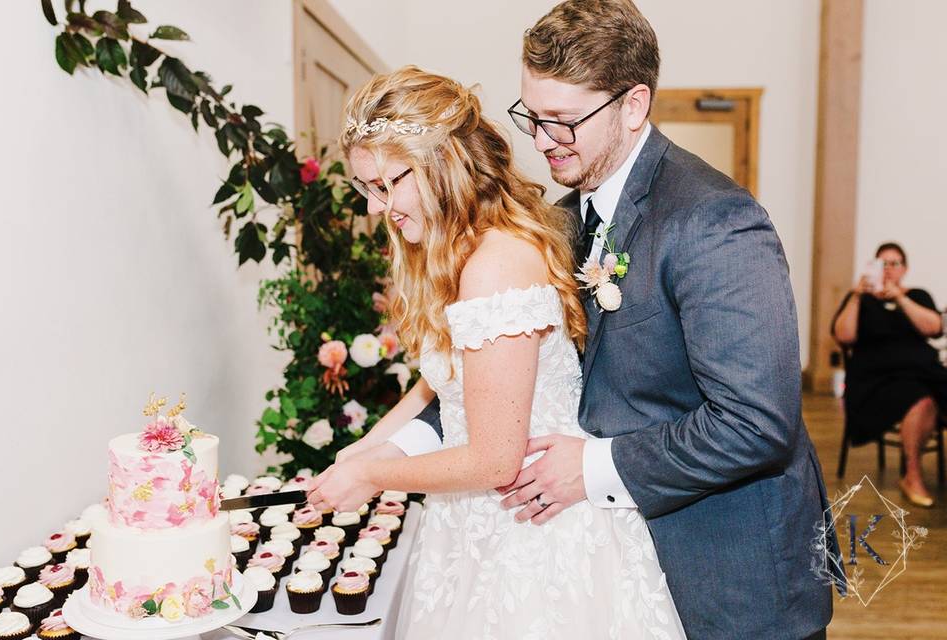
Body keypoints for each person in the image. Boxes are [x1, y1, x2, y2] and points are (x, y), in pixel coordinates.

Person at [311, 2, 842, 638]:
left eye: (563, 121)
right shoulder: (555, 222)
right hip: (592, 554)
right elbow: (490, 387)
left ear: (633, 104)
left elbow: (756, 425)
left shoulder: (712, 221)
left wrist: (591, 468)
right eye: (531, 116)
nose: (541, 140)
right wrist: (372, 454)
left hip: (723, 571)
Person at [307, 66, 687, 638]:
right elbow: (440, 379)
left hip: (533, 535)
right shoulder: (452, 248)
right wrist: (365, 446)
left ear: (442, 162)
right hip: (471, 521)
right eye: (366, 188)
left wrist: (375, 476)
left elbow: (494, 460)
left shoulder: (496, 264)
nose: (377, 209)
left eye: (388, 184)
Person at [833, 242, 946, 507]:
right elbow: (844, 335)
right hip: (877, 381)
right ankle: (912, 474)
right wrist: (857, 296)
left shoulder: (917, 295)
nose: (888, 269)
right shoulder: (861, 300)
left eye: (894, 263)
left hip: (923, 372)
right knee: (921, 399)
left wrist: (899, 298)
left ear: (904, 269)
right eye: (882, 263)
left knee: (928, 391)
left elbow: (934, 327)